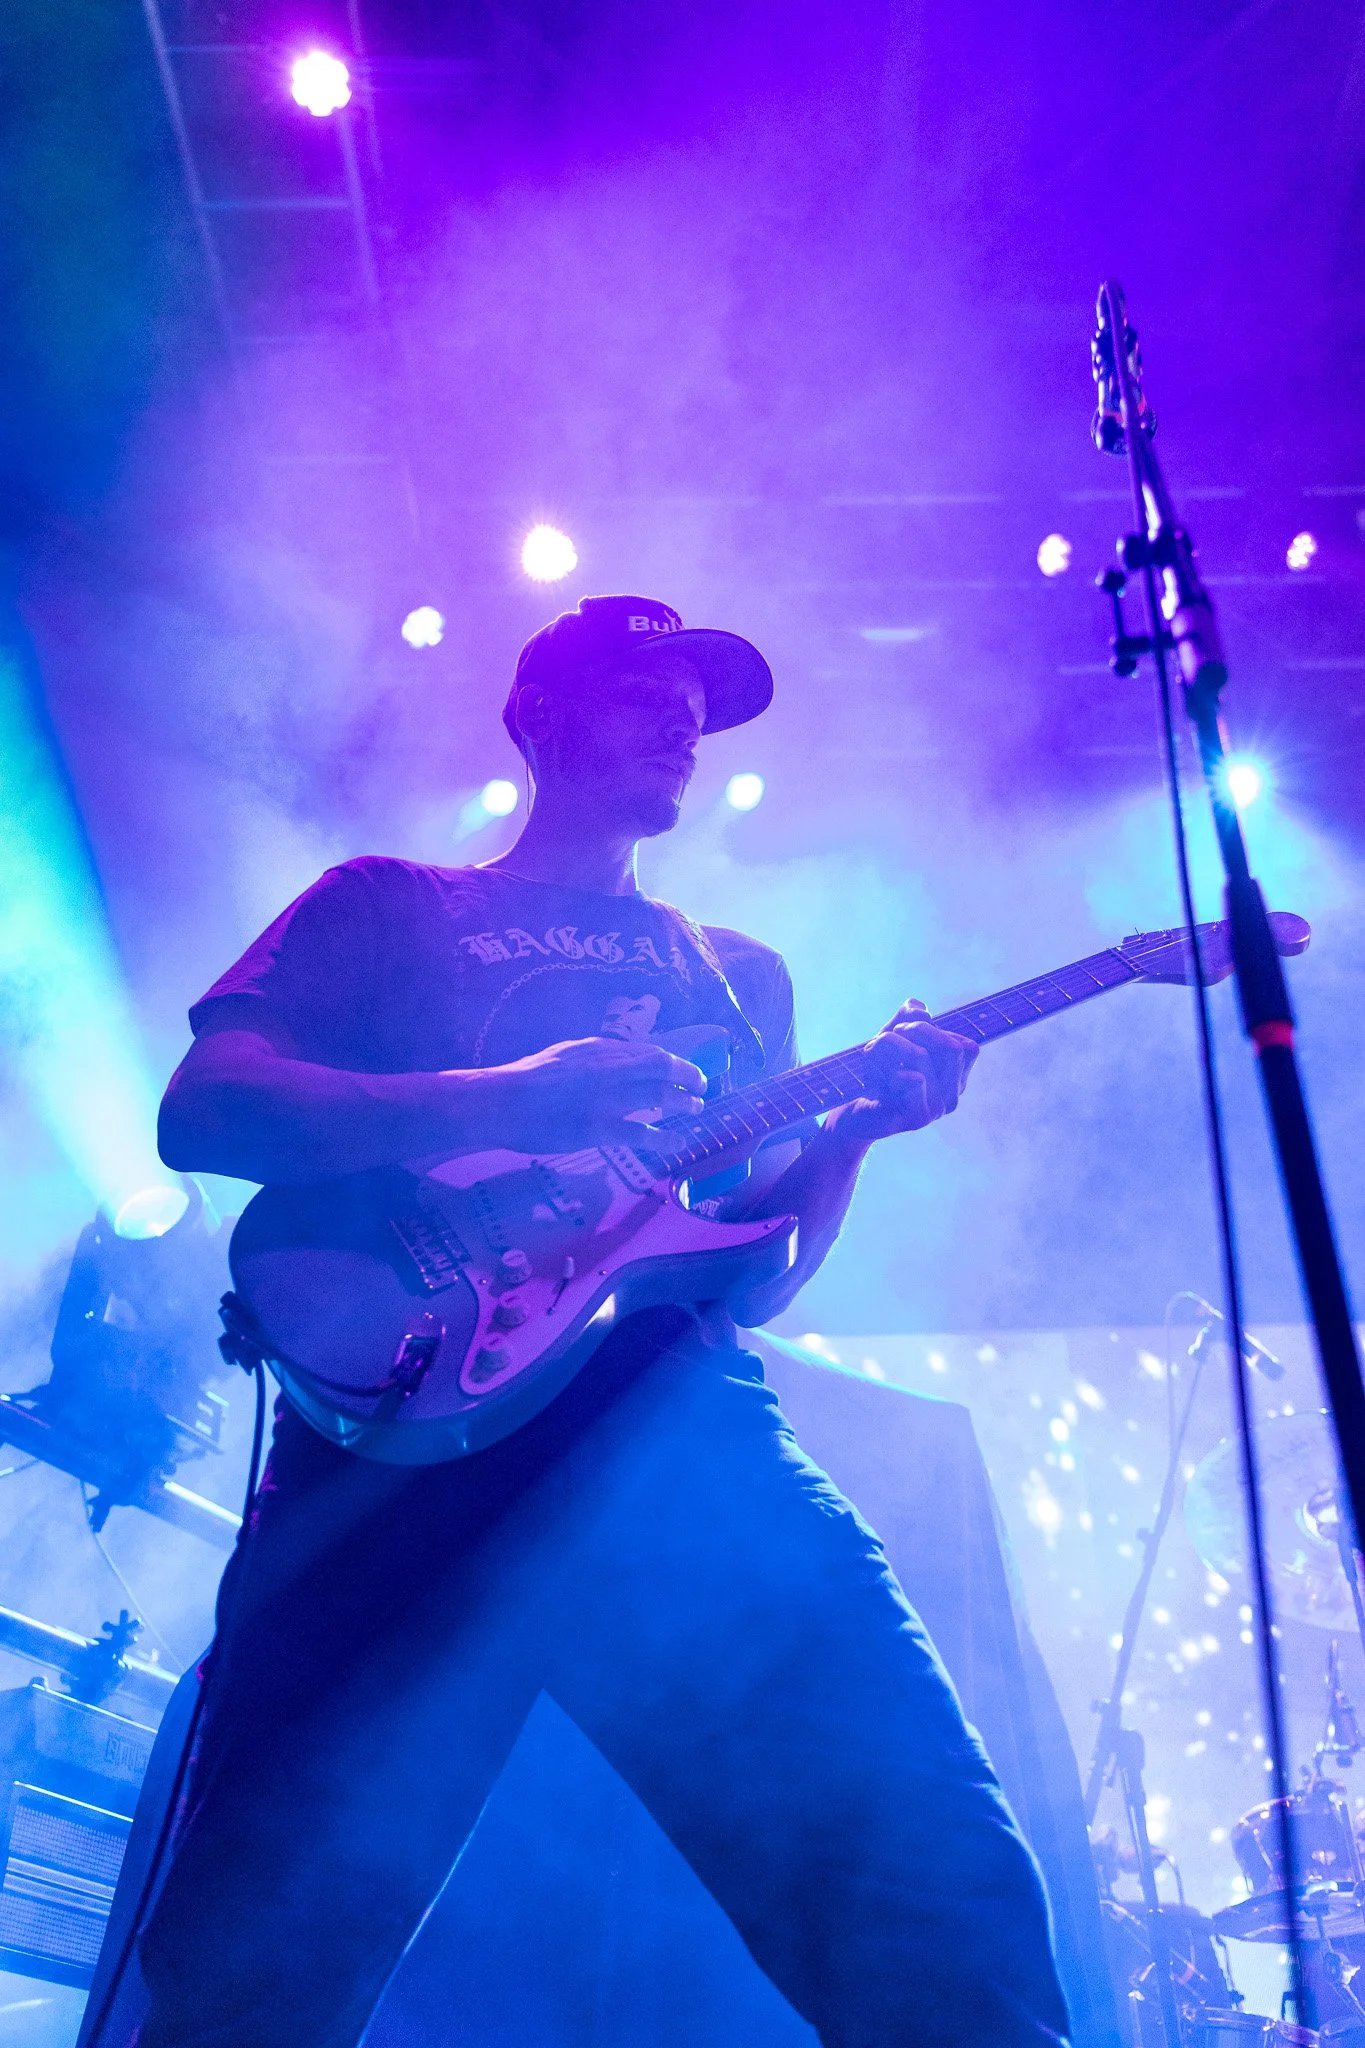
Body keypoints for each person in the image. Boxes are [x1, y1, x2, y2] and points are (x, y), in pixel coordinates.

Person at [140, 594, 1071, 2048]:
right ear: (537, 718)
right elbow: (206, 1110)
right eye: (645, 693)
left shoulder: (734, 974)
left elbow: (751, 1273)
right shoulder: (388, 902)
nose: (683, 726)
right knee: (251, 1974)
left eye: (696, 711)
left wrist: (856, 1134)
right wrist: (510, 1098)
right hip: (389, 1458)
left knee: (936, 1895)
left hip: (669, 1443)